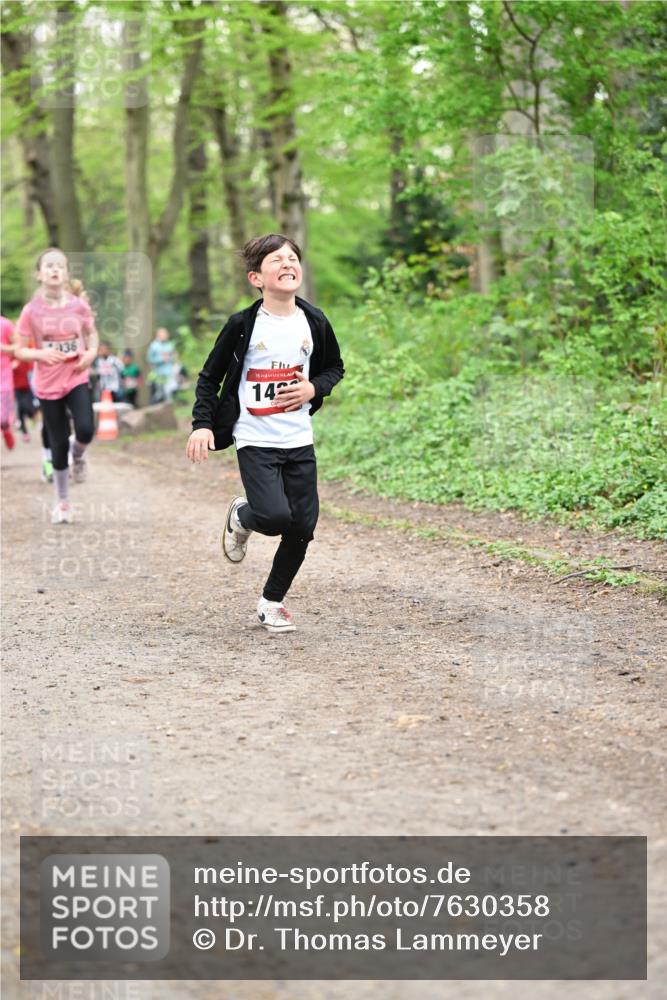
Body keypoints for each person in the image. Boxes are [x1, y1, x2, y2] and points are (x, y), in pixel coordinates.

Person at [186, 233, 344, 634]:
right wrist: (202, 424)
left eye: (293, 258)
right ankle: (244, 514)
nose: (288, 264)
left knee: (302, 526)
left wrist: (313, 388)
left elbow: (334, 368)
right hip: (255, 437)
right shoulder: (243, 325)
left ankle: (271, 603)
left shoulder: (315, 320)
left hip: (298, 438)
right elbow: (210, 378)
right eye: (277, 260)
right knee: (274, 516)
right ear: (257, 277)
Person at [14, 248, 98, 524]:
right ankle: (62, 501)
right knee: (58, 442)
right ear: (39, 274)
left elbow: (91, 335)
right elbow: (19, 350)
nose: (54, 270)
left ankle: (79, 454)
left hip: (76, 375)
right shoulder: (31, 312)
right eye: (48, 266)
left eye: (60, 266)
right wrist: (40, 354)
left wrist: (90, 353)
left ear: (66, 273)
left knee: (85, 429)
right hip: (47, 383)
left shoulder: (78, 306)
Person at [147, 327, 176, 403]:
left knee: (169, 391)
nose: (164, 336)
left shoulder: (170, 345)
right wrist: (161, 359)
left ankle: (169, 408)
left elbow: (173, 357)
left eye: (165, 334)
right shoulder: (153, 346)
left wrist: (171, 359)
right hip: (158, 373)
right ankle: (153, 407)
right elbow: (150, 359)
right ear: (158, 335)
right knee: (159, 393)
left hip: (169, 372)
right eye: (162, 334)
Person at [1, 316, 16, 450]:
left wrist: (3, 348)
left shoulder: (5, 324)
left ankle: (6, 430)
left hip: (3, 379)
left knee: (3, 418)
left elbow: (18, 346)